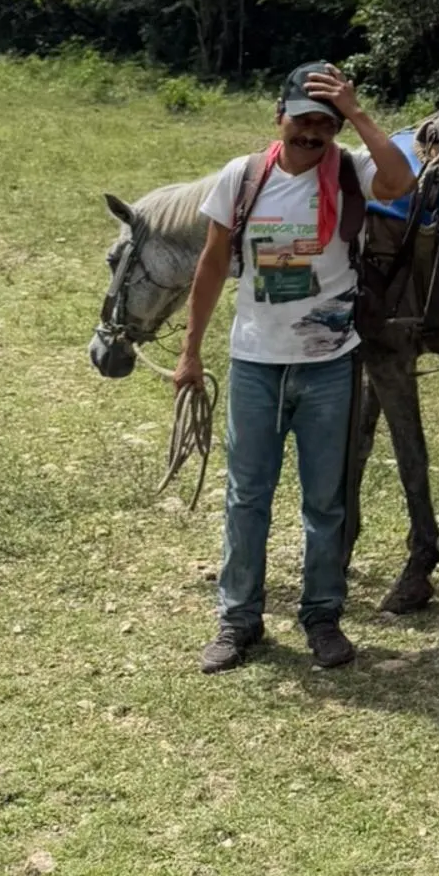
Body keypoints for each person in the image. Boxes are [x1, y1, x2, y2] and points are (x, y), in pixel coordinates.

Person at [173, 64, 415, 673]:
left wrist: (357, 114)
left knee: (325, 501)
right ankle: (238, 619)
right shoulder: (242, 178)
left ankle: (322, 615)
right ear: (278, 118)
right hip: (256, 363)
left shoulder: (351, 169)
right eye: (302, 118)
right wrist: (190, 350)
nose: (313, 132)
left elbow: (400, 179)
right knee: (247, 496)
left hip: (328, 366)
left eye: (324, 124)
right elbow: (210, 265)